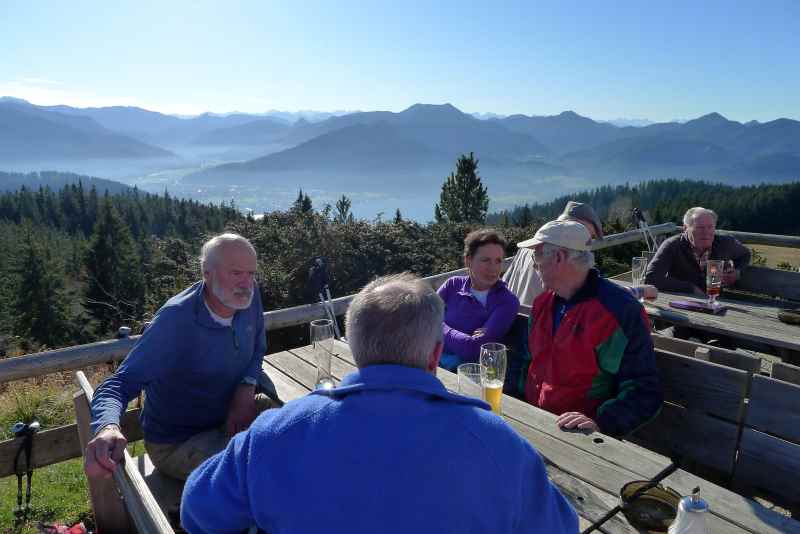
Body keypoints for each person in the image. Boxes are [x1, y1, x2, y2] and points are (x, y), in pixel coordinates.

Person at [181, 273, 578, 534]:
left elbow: (197, 510)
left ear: (354, 348)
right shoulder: (499, 446)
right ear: (435, 354)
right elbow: (561, 527)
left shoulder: (273, 436)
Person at [85, 233, 281, 482]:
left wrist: (246, 385)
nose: (246, 283)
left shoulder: (248, 298)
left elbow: (257, 349)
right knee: (265, 466)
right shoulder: (175, 321)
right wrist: (107, 427)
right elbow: (118, 384)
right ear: (206, 273)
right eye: (235, 273)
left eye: (251, 273)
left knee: (300, 431)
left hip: (228, 418)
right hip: (178, 443)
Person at [521, 220, 663, 437]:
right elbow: (528, 362)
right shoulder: (542, 304)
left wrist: (600, 424)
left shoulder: (619, 311)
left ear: (559, 257)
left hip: (579, 436)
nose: (534, 264)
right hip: (532, 420)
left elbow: (645, 391)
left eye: (537, 255)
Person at [436, 229, 520, 370]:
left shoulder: (507, 301)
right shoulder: (453, 284)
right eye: (486, 260)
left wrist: (438, 325)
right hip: (431, 362)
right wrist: (462, 337)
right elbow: (423, 317)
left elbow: (475, 349)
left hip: (468, 376)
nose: (493, 268)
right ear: (468, 260)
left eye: (498, 261)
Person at [645, 206, 751, 296]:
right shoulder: (673, 245)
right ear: (685, 228)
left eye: (710, 227)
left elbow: (745, 254)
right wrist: (691, 288)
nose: (706, 233)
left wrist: (737, 272)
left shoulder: (725, 243)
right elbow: (651, 278)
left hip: (718, 303)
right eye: (700, 228)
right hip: (682, 302)